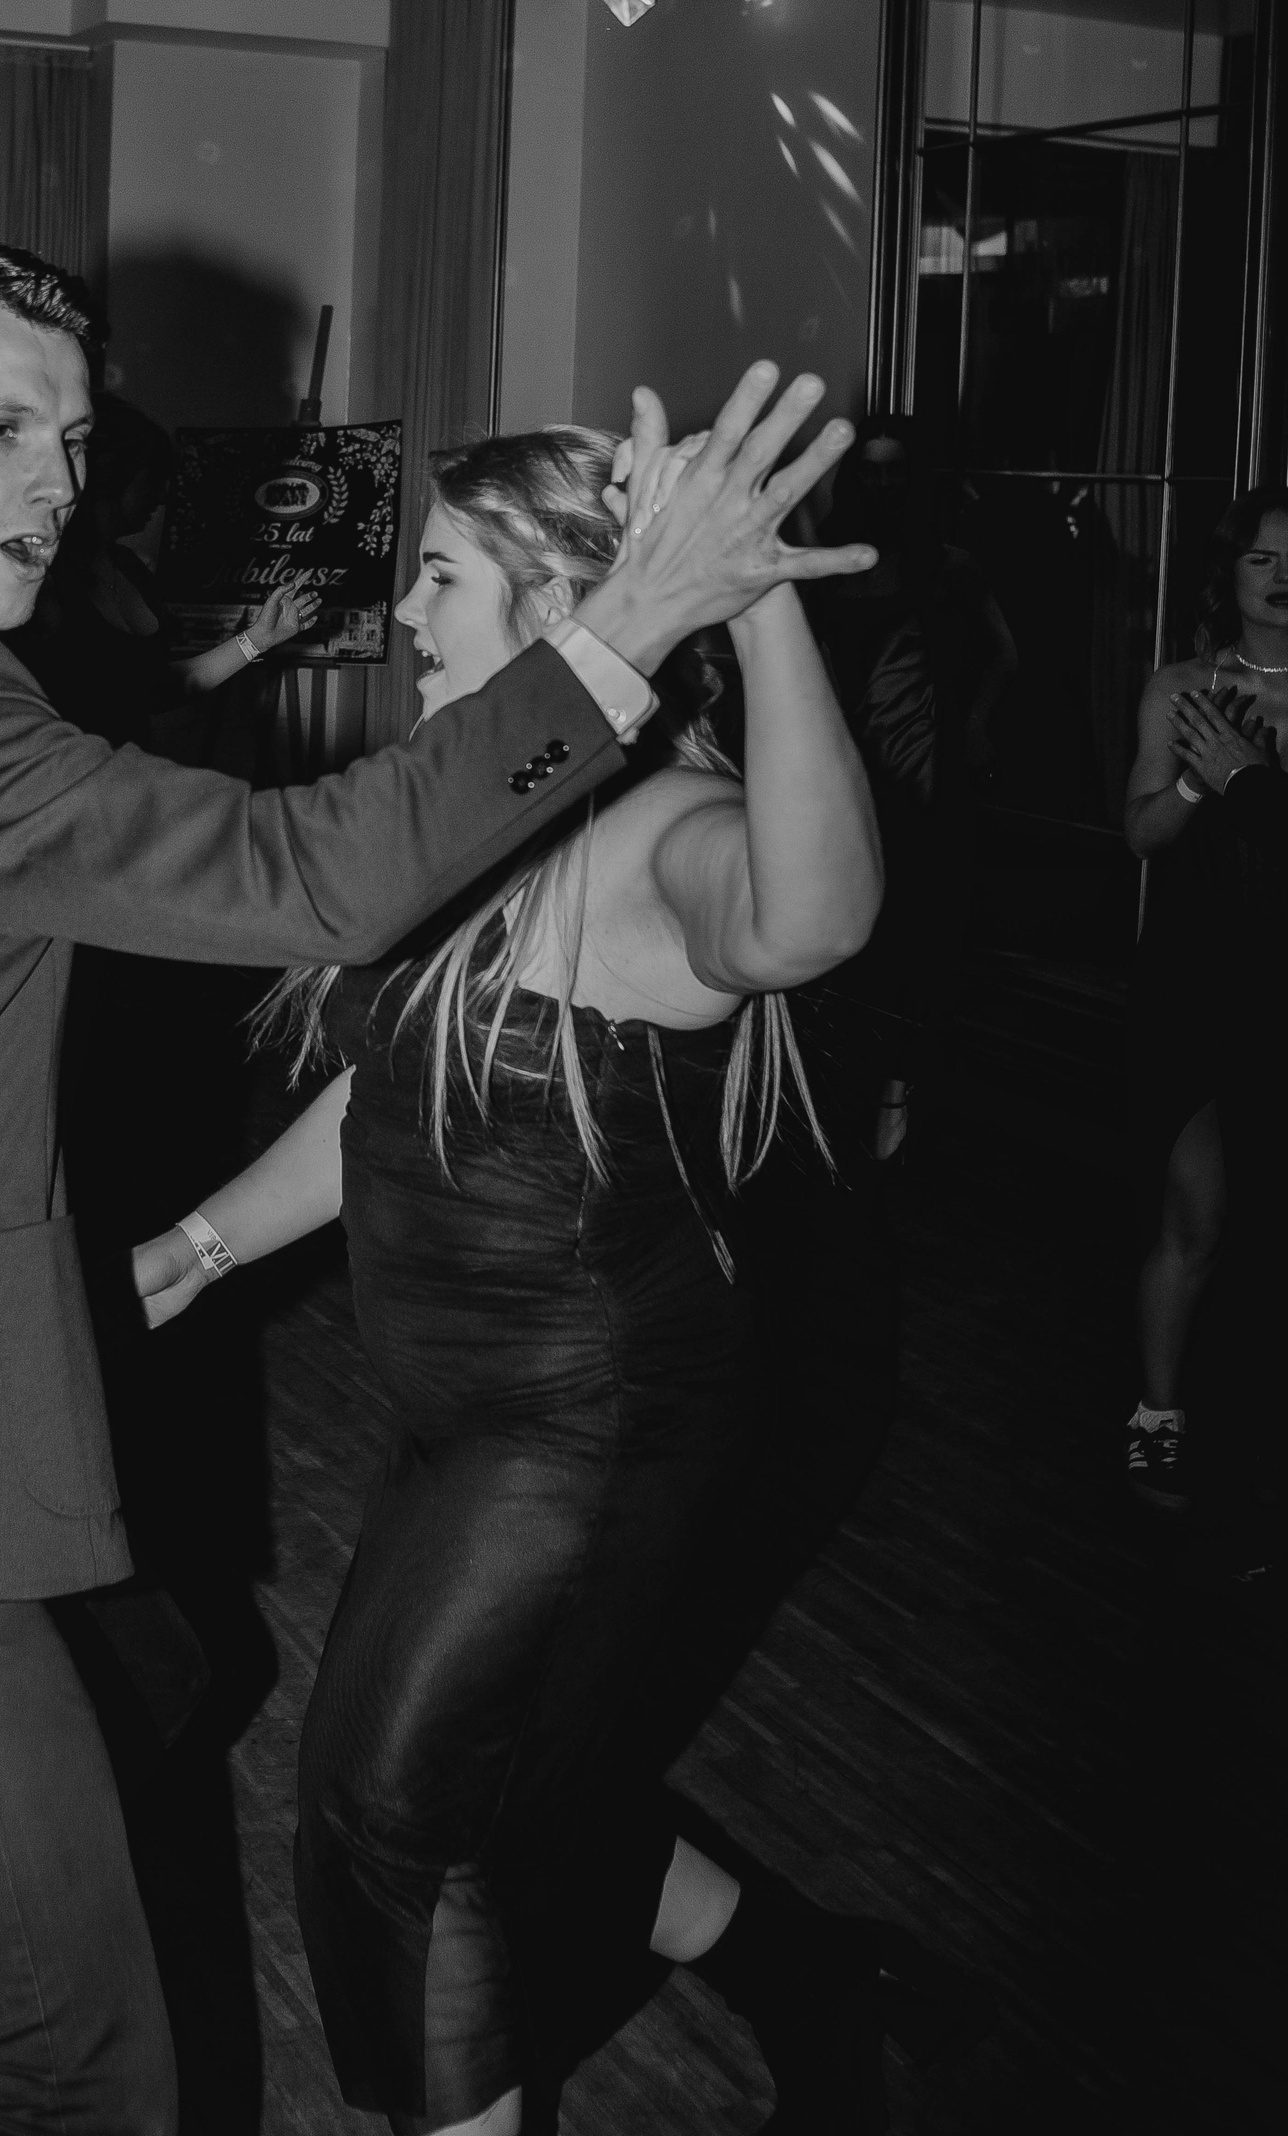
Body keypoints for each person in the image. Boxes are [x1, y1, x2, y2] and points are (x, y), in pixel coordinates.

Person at [0, 237, 874, 2136]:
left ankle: (783, 1972)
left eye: (71, 439)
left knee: (204, 1692)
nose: (53, 482)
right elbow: (317, 881)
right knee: (101, 2059)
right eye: (0, 430)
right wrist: (643, 620)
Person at [132, 423, 948, 2136]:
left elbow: (811, 919)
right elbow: (395, 1085)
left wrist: (754, 601)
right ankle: (813, 1980)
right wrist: (199, 1249)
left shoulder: (670, 828)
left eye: (438, 574)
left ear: (565, 603)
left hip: (586, 1433)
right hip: (464, 1417)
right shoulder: (484, 803)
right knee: (505, 1789)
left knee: (394, 1823)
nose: (403, 612)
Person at [1121, 483, 1288, 1511]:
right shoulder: (1179, 686)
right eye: (1264, 557)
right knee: (1198, 1215)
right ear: (1230, 571)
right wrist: (1193, 781)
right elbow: (1140, 836)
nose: (1284, 576)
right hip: (1193, 980)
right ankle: (1157, 1421)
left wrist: (1253, 777)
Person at [809, 416, 1015, 1160]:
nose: (882, 483)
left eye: (895, 469)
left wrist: (977, 725)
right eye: (870, 469)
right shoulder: (826, 560)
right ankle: (834, 1083)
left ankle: (899, 1088)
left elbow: (1004, 654)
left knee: (919, 929)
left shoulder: (948, 564)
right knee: (842, 924)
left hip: (922, 769)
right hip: (840, 768)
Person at [16, 393, 321, 749]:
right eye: (153, 479)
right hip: (70, 775)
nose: (161, 497)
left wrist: (257, 639)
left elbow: (159, 690)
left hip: (131, 773)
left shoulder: (129, 567)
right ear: (111, 476)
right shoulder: (42, 577)